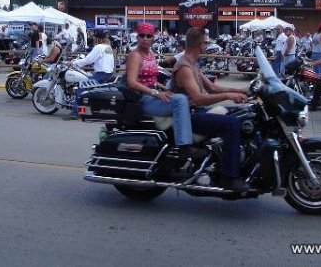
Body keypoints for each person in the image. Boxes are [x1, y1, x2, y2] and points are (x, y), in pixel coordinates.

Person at [170, 27, 251, 193]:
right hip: (190, 115)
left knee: (241, 115)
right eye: (206, 42)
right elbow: (198, 98)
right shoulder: (184, 67)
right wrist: (229, 95)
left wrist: (241, 91)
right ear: (200, 45)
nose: (207, 45)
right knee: (231, 124)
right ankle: (229, 176)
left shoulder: (193, 64)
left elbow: (212, 87)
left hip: (198, 111)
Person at [125, 22, 200, 161]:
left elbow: (150, 79)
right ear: (137, 37)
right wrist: (156, 93)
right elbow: (132, 82)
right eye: (142, 35)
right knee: (180, 100)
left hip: (153, 94)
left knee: (186, 97)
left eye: (149, 36)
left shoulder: (151, 54)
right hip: (143, 99)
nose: (145, 38)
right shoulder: (135, 55)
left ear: (153, 37)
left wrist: (163, 88)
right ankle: (184, 147)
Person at [69, 30, 116, 119]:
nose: (93, 39)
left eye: (94, 37)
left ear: (97, 38)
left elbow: (88, 60)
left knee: (80, 88)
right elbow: (99, 60)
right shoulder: (108, 47)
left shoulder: (98, 47)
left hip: (101, 75)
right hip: (107, 74)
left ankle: (74, 113)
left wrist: (74, 63)